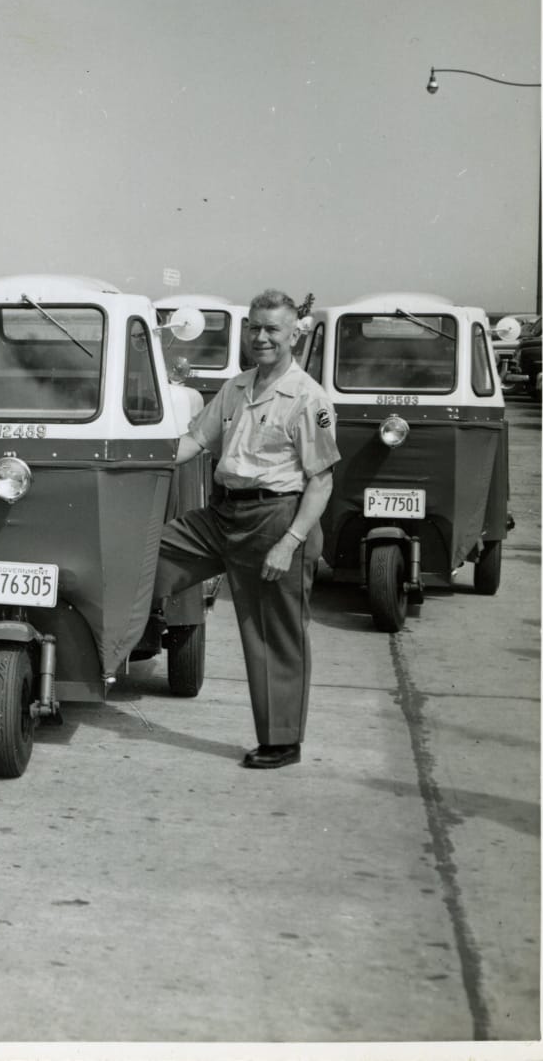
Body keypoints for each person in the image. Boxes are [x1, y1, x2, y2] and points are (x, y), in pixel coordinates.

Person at [152, 289, 340, 769]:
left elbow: (320, 480)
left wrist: (290, 543)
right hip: (222, 515)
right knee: (146, 557)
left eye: (272, 329)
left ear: (293, 333)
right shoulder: (236, 387)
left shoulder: (307, 397)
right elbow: (194, 441)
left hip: (275, 520)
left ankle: (282, 741)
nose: (261, 337)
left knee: (272, 633)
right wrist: (138, 457)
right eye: (254, 328)